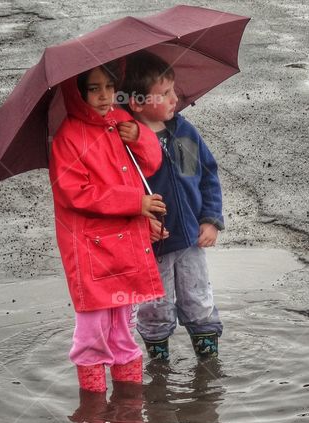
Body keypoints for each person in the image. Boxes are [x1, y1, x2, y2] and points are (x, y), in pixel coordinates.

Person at [49, 61, 170, 392]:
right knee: (92, 333)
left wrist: (141, 137)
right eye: (93, 88)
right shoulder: (68, 138)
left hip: (123, 246)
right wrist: (136, 203)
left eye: (109, 87)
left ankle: (127, 417)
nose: (104, 96)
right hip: (92, 252)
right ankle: (94, 412)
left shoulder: (121, 122)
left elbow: (148, 164)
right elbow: (75, 192)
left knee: (122, 331)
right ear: (78, 93)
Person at [121, 52, 226, 361]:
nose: (174, 98)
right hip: (152, 245)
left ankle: (207, 361)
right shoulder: (124, 144)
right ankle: (159, 368)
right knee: (155, 306)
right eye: (164, 94)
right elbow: (121, 192)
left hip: (191, 237)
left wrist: (210, 220)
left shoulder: (184, 133)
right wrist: (140, 224)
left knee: (198, 298)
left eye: (173, 90)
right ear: (138, 103)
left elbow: (206, 176)